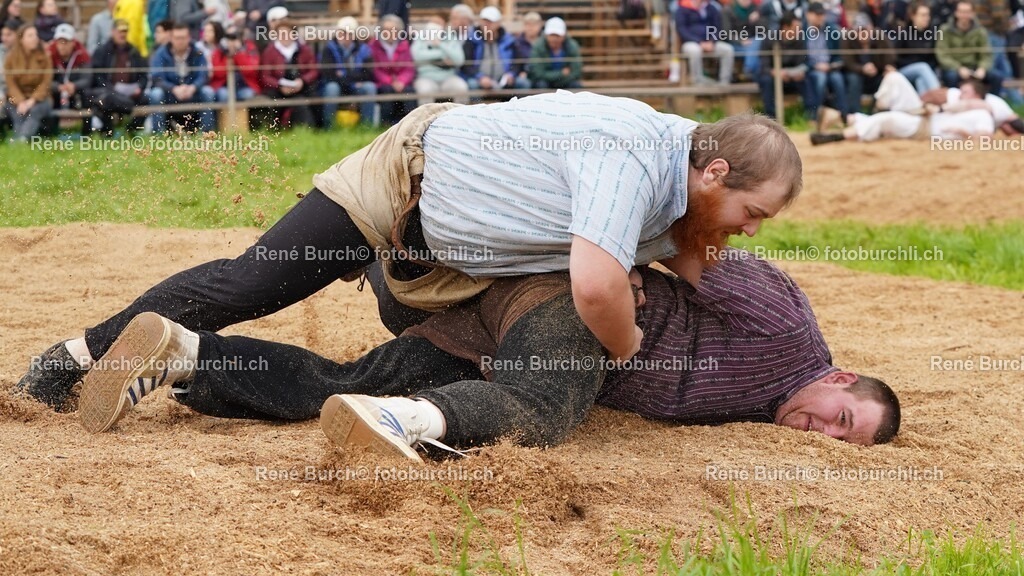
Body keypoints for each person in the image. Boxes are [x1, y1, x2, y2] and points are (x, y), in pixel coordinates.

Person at [16, 96, 803, 431]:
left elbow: (698, 262)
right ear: (714, 173)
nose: (750, 231)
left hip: (463, 273)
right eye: (754, 213)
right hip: (402, 185)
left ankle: (187, 358)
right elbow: (597, 289)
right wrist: (626, 340)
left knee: (387, 377)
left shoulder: (691, 194)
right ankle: (74, 358)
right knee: (251, 282)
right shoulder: (631, 155)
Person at [67, 248, 900, 455]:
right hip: (563, 304)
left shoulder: (759, 413)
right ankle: (409, 421)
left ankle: (184, 352)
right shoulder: (787, 326)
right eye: (843, 419)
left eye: (844, 445)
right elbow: (697, 239)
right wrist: (621, 267)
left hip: (509, 339)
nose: (825, 436)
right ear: (840, 377)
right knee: (546, 410)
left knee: (345, 382)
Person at [810, 70, 996, 144]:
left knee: (887, 119)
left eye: (966, 92)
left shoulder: (983, 114)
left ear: (977, 96)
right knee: (895, 77)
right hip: (922, 114)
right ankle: (874, 109)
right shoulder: (959, 102)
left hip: (924, 128)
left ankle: (839, 134)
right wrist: (933, 107)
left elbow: (985, 140)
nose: (960, 94)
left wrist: (964, 133)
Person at [147, 22, 216, 133]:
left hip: (193, 93)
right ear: (171, 38)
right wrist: (173, 89)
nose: (180, 41)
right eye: (177, 38)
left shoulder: (198, 52)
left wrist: (193, 87)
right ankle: (158, 134)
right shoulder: (161, 54)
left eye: (183, 38)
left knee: (208, 92)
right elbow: (157, 78)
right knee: (156, 94)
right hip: (169, 94)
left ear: (189, 38)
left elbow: (203, 75)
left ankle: (207, 134)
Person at [88, 18, 147, 136]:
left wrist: (139, 87)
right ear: (112, 31)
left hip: (130, 93)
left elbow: (143, 76)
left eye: (125, 31)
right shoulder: (102, 51)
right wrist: (111, 88)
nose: (122, 34)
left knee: (146, 100)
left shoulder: (134, 52)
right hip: (109, 92)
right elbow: (97, 77)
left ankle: (130, 131)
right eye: (120, 31)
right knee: (106, 100)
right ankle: (108, 132)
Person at [259, 15, 318, 129]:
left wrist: (302, 81)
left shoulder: (304, 50)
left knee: (310, 99)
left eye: (287, 33)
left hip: (300, 87)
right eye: (281, 33)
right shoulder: (269, 52)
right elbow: (265, 76)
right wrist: (279, 86)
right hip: (277, 89)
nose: (284, 36)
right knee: (273, 102)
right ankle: (273, 129)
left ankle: (314, 128)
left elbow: (313, 71)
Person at [320, 16, 377, 128]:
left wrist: (343, 75)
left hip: (355, 85)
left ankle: (367, 126)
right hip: (338, 84)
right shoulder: (329, 48)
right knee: (332, 88)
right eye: (342, 33)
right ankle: (329, 126)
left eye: (348, 33)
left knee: (370, 87)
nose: (344, 36)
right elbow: (328, 73)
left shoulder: (364, 49)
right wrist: (352, 80)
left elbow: (368, 73)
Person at [935, 0, 1003, 93]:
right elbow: (942, 55)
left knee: (997, 76)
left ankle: (990, 100)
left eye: (967, 12)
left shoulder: (980, 31)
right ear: (956, 13)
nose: (964, 15)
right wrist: (958, 68)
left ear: (972, 13)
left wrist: (982, 68)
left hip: (975, 67)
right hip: (954, 68)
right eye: (962, 12)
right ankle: (955, 100)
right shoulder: (945, 30)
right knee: (951, 77)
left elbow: (986, 54)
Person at [3, 24, 52, 142]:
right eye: (30, 35)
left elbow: (45, 84)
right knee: (17, 112)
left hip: (40, 99)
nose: (35, 38)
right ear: (21, 39)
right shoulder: (11, 59)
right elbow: (11, 84)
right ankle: (20, 140)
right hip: (16, 99)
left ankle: (22, 139)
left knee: (35, 111)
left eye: (35, 35)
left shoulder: (45, 58)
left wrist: (32, 101)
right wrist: (20, 101)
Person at [460, 7, 526, 94]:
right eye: (484, 21)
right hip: (479, 79)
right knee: (472, 84)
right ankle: (476, 103)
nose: (487, 24)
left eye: (490, 21)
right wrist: (480, 77)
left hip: (504, 79)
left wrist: (511, 74)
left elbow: (518, 62)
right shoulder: (471, 40)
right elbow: (466, 65)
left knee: (522, 83)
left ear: (498, 23)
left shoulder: (509, 40)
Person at [757, 11, 808, 119]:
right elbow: (764, 66)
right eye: (796, 28)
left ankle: (810, 115)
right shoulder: (769, 39)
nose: (799, 31)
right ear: (785, 27)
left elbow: (801, 63)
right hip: (773, 77)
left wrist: (791, 73)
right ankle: (771, 117)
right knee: (765, 80)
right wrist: (776, 73)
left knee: (809, 78)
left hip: (792, 78)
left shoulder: (800, 40)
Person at [840, 13, 895, 112]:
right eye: (859, 31)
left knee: (888, 77)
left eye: (865, 30)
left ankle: (878, 111)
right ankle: (854, 113)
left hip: (877, 73)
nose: (862, 33)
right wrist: (862, 68)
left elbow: (890, 55)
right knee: (854, 79)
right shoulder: (848, 38)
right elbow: (848, 62)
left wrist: (888, 66)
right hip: (857, 74)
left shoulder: (879, 36)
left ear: (871, 28)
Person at [369, 14, 415, 125]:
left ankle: (409, 124)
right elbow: (375, 69)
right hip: (382, 82)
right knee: (387, 90)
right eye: (386, 30)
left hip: (401, 82)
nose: (390, 33)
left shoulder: (404, 45)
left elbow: (409, 68)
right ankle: (386, 124)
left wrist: (401, 81)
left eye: (393, 30)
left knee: (409, 91)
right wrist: (390, 81)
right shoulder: (374, 46)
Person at [804, 2, 848, 119]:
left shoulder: (832, 29)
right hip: (811, 68)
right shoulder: (801, 31)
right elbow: (800, 58)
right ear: (808, 15)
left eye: (822, 14)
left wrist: (831, 65)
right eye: (817, 14)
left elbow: (838, 55)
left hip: (830, 67)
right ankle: (814, 116)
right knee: (820, 79)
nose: (820, 17)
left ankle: (844, 116)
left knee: (838, 79)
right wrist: (814, 66)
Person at [412, 15, 468, 106]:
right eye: (432, 22)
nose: (434, 25)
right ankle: (428, 115)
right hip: (426, 77)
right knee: (425, 90)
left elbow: (459, 59)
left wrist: (440, 44)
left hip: (448, 77)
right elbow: (416, 56)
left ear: (443, 26)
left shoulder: (450, 37)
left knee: (461, 87)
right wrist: (443, 55)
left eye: (438, 23)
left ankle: (459, 114)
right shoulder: (421, 37)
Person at [677, 0, 734, 84]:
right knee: (695, 51)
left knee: (728, 50)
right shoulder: (682, 9)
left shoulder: (711, 8)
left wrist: (712, 41)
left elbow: (717, 28)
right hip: (691, 42)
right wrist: (699, 42)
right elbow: (682, 30)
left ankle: (724, 82)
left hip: (710, 43)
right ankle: (698, 82)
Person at [48, 23, 91, 133]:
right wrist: (57, 87)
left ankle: (87, 132)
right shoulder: (49, 55)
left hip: (76, 90)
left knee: (88, 95)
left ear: (73, 42)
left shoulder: (82, 55)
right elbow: (44, 79)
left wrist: (74, 86)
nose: (62, 46)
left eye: (65, 42)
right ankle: (50, 132)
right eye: (59, 42)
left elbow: (88, 78)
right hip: (57, 90)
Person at [894, 1, 941, 93]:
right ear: (913, 16)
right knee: (922, 67)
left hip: (926, 71)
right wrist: (916, 63)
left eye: (928, 15)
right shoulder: (904, 33)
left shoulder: (932, 33)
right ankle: (939, 95)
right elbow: (896, 58)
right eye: (923, 15)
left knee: (921, 79)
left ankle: (924, 101)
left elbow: (934, 58)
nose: (927, 18)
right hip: (905, 70)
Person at [528, 17, 582, 89]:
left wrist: (558, 80)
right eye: (551, 35)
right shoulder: (538, 46)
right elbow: (538, 73)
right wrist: (561, 74)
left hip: (565, 82)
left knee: (575, 85)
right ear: (546, 35)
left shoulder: (572, 46)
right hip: (546, 82)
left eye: (557, 36)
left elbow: (576, 71)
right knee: (541, 84)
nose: (554, 39)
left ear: (563, 36)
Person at [510, 11, 541, 87]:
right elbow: (514, 62)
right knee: (522, 82)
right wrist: (519, 72)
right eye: (528, 24)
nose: (531, 28)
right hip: (522, 74)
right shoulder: (517, 42)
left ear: (539, 26)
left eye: (534, 24)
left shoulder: (545, 42)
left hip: (540, 74)